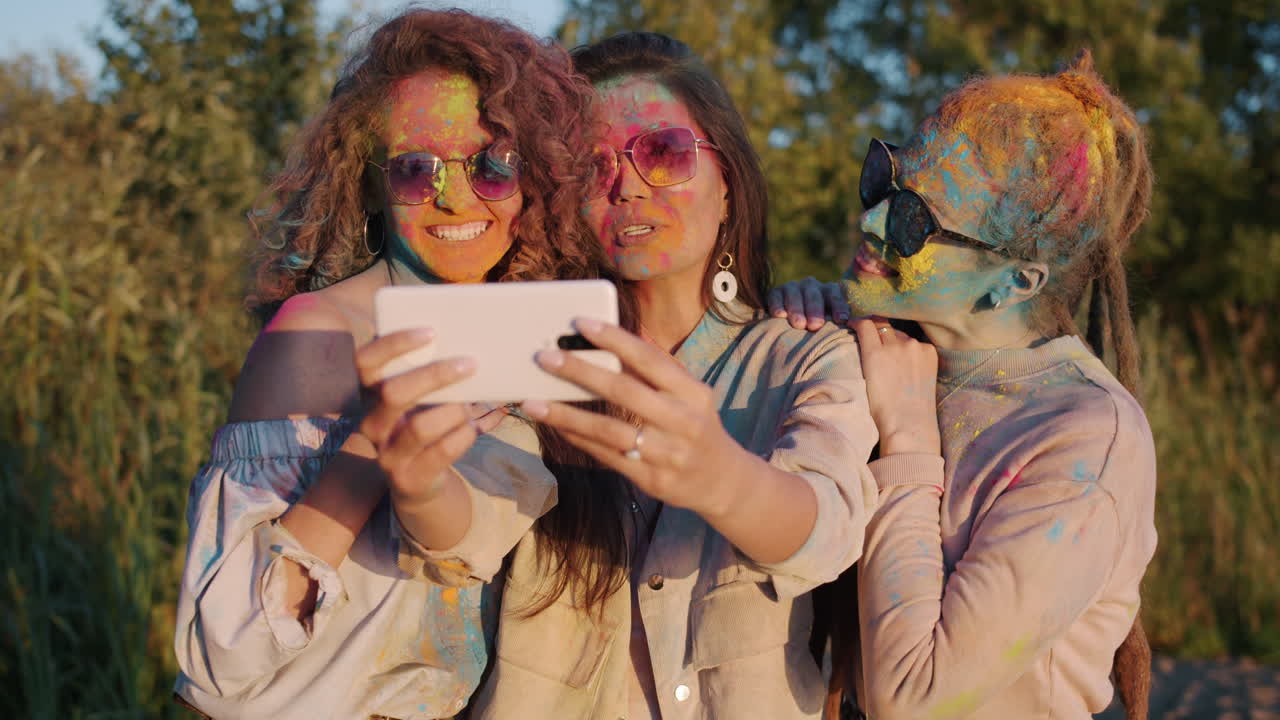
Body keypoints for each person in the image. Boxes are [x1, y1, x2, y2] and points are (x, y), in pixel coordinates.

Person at [171, 9, 621, 719]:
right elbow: (219, 658)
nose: (454, 195)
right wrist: (373, 444)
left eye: (493, 165)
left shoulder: (536, 338)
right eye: (417, 169)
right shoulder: (317, 338)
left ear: (537, 178)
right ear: (373, 182)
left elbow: (476, 545)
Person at [445, 32, 879, 720]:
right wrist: (415, 474)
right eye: (592, 167)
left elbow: (828, 528)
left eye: (664, 153)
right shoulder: (536, 355)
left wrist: (722, 477)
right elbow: (462, 533)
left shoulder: (803, 351)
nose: (628, 187)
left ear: (728, 179)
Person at [826, 50, 1157, 719]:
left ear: (1013, 282)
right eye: (883, 180)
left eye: (913, 220)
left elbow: (913, 698)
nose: (872, 220)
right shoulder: (895, 346)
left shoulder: (1084, 442)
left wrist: (910, 438)